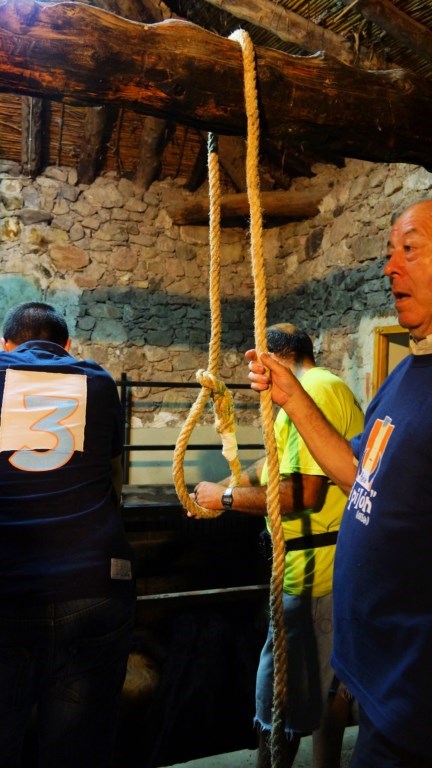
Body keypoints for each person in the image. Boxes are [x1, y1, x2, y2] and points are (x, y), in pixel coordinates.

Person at [247, 199, 432, 768]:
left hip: (415, 700)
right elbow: (358, 475)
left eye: (410, 249)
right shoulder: (407, 373)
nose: (390, 267)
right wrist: (291, 397)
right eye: (389, 253)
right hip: (381, 678)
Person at [190, 323, 364, 768]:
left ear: (272, 359)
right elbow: (274, 462)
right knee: (325, 685)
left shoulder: (316, 390)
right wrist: (225, 485)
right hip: (314, 568)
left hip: (314, 574)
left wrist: (225, 499)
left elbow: (303, 493)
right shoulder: (309, 394)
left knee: (280, 699)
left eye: (257, 363)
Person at [0, 302, 135, 768]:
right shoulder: (98, 380)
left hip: (9, 586)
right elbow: (113, 476)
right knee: (79, 751)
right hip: (94, 583)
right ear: (68, 345)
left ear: (6, 344)